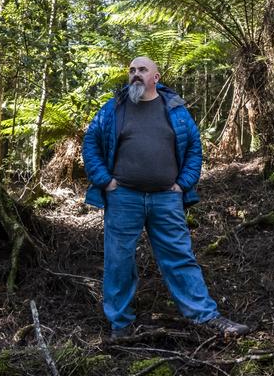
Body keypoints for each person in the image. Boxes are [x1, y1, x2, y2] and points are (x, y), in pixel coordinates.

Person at [82, 56, 249, 339]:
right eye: (132, 70)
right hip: (124, 198)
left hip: (166, 199)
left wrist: (183, 184)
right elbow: (91, 143)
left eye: (142, 70)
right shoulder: (114, 108)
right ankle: (120, 324)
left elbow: (194, 148)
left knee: (180, 257)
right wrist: (105, 181)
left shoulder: (175, 110)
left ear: (156, 77)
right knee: (118, 261)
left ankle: (205, 317)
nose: (136, 74)